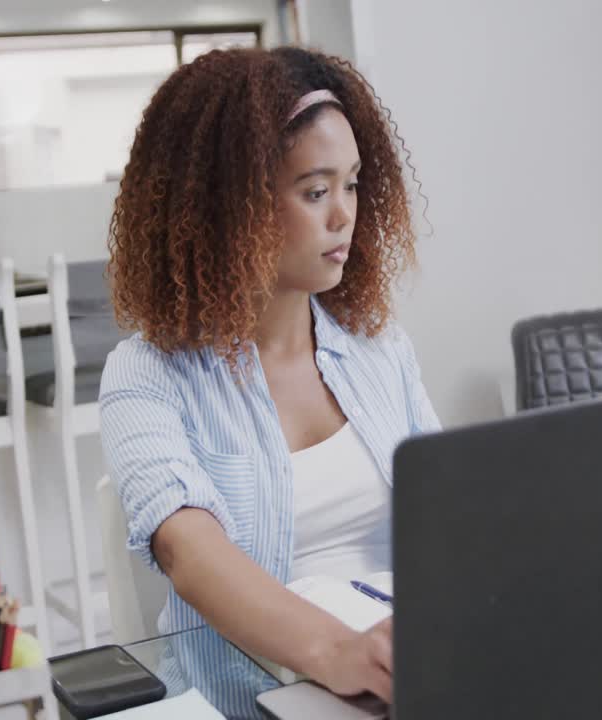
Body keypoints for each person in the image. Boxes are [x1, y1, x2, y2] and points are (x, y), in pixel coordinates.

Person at [100, 45, 436, 717]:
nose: (344, 215)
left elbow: (451, 513)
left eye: (352, 183)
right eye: (315, 191)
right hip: (251, 704)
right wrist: (339, 652)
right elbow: (191, 555)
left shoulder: (379, 347)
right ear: (229, 209)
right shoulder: (148, 373)